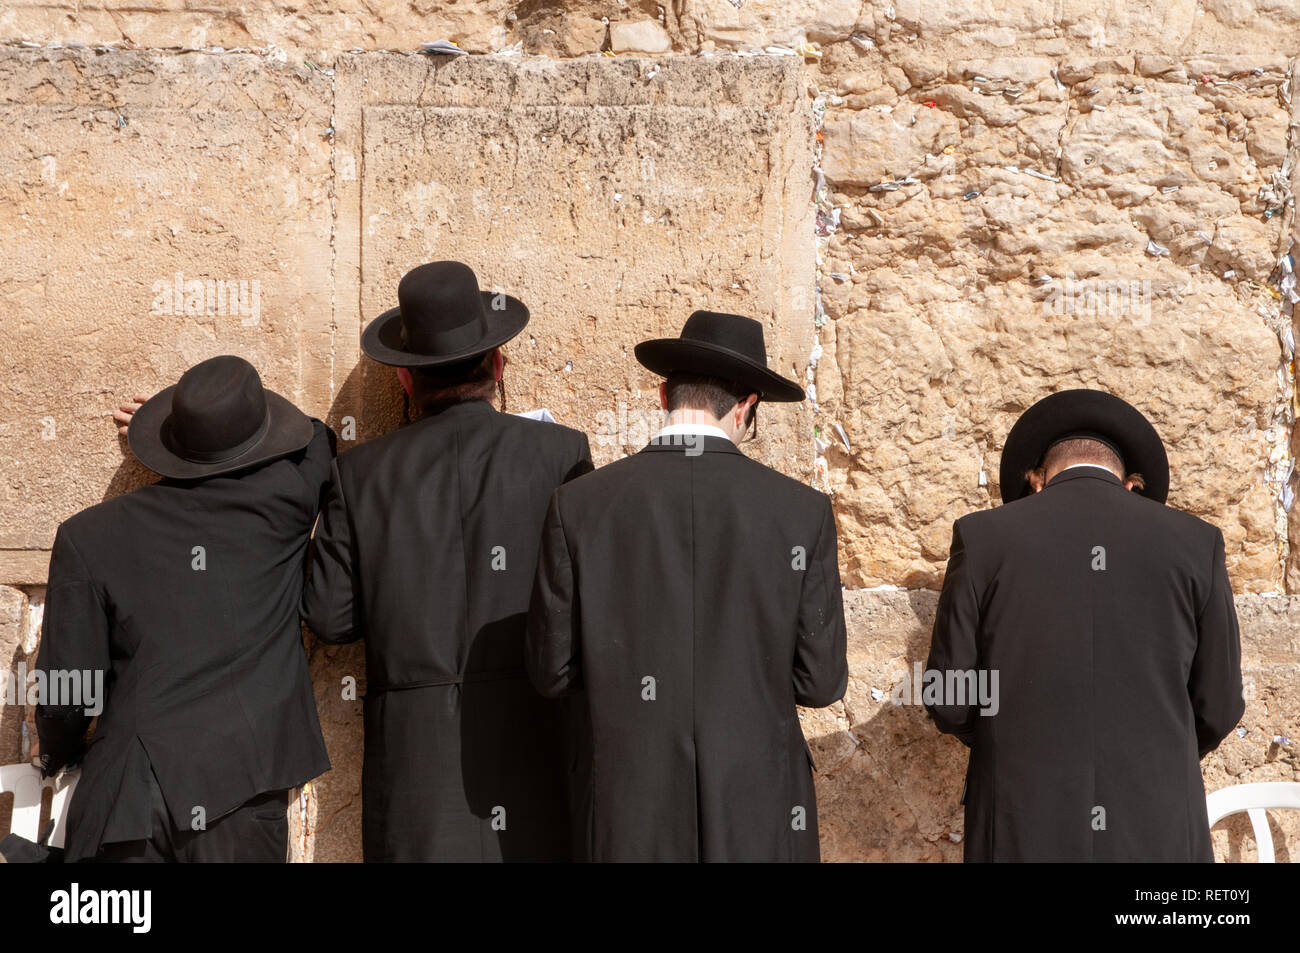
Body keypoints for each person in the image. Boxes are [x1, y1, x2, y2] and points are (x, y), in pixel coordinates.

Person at [527, 309, 848, 862]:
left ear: (662, 396)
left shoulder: (578, 505)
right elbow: (820, 683)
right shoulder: (802, 513)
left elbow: (551, 671)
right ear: (748, 406)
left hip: (628, 805)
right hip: (759, 803)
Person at [301, 260, 592, 862]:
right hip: (536, 758)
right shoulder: (561, 455)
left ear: (407, 382)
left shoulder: (358, 475)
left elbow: (330, 617)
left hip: (414, 775)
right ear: (499, 367)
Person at [925, 388, 1245, 862]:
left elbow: (949, 700)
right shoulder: (1198, 544)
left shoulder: (982, 538)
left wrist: (1007, 738)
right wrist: (1153, 751)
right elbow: (1219, 705)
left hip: (1020, 820)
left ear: (1036, 480)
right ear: (1132, 483)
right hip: (1156, 823)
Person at [35, 355, 333, 862]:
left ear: (170, 448)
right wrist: (213, 426)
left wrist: (58, 753)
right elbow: (319, 438)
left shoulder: (88, 535)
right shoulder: (288, 498)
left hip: (125, 797)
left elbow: (69, 690)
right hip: (240, 793)